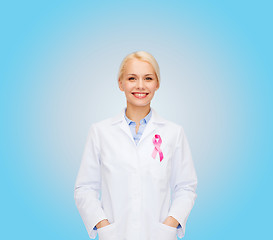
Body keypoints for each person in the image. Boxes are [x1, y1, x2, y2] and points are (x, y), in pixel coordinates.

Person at [74, 51, 198, 240]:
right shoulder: (100, 132)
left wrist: (169, 225)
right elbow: (85, 188)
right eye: (132, 78)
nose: (140, 85)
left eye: (148, 78)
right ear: (120, 83)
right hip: (115, 235)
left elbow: (186, 187)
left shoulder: (174, 133)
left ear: (157, 84)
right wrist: (103, 225)